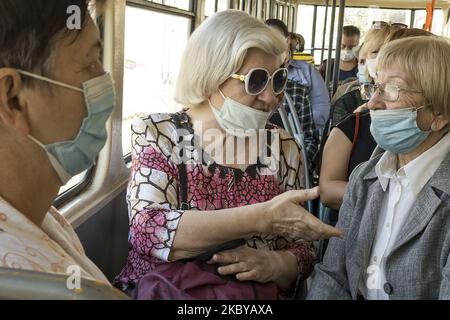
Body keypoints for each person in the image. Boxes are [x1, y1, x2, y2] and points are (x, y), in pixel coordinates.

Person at [115, 10, 343, 299]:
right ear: (212, 75)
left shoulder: (284, 148)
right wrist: (261, 218)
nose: (271, 97)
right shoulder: (159, 134)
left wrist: (276, 264)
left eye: (278, 79)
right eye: (256, 81)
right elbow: (148, 230)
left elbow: (302, 251)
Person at [308, 35, 450, 299]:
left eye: (392, 90)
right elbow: (334, 274)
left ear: (439, 114)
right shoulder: (365, 176)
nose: (373, 103)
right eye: (375, 87)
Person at [0, 0, 112, 284]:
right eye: (89, 64)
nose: (106, 80)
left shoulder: (41, 213)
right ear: (13, 99)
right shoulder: (19, 282)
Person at [265, 19, 330, 137]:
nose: (274, 47)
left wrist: (297, 122)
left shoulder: (308, 72)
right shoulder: (257, 76)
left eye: (276, 41)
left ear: (288, 41)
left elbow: (322, 111)